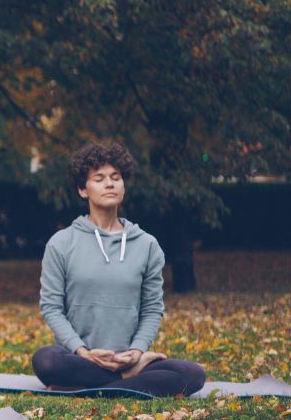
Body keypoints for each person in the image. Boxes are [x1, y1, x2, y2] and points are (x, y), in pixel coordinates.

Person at [31, 143, 206, 396]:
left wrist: (136, 352)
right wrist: (82, 351)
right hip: (77, 359)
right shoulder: (61, 243)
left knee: (192, 375)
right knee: (46, 360)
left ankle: (94, 383)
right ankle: (125, 381)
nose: (110, 184)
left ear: (124, 185)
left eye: (116, 177)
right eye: (99, 179)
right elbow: (51, 307)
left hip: (130, 358)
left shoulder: (147, 245)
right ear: (83, 190)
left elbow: (152, 308)